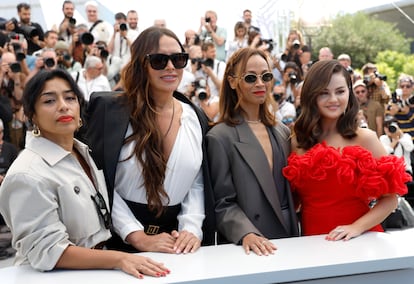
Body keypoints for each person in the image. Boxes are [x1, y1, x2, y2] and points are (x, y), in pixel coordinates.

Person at [0, 69, 169, 278]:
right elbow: (49, 252)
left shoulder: (81, 152)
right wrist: (120, 258)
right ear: (32, 114)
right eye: (49, 101)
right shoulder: (26, 174)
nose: (63, 106)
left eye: (70, 98)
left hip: (93, 272)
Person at [84, 27, 215, 254]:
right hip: (116, 244)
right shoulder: (109, 111)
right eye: (159, 60)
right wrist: (136, 235)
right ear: (140, 64)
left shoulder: (195, 116)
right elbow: (95, 179)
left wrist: (191, 229)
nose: (171, 67)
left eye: (178, 59)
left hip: (177, 245)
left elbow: (197, 182)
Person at [282, 60, 411, 241]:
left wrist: (356, 228)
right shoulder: (297, 140)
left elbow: (390, 199)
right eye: (324, 93)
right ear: (311, 95)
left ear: (349, 93)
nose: (334, 99)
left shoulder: (366, 138)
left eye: (340, 91)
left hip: (360, 241)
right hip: (311, 243)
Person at [206, 48, 299, 256]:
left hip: (289, 240)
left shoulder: (282, 131)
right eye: (250, 78)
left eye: (266, 76)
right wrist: (246, 233)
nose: (260, 84)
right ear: (232, 82)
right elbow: (222, 203)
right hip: (247, 247)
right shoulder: (219, 137)